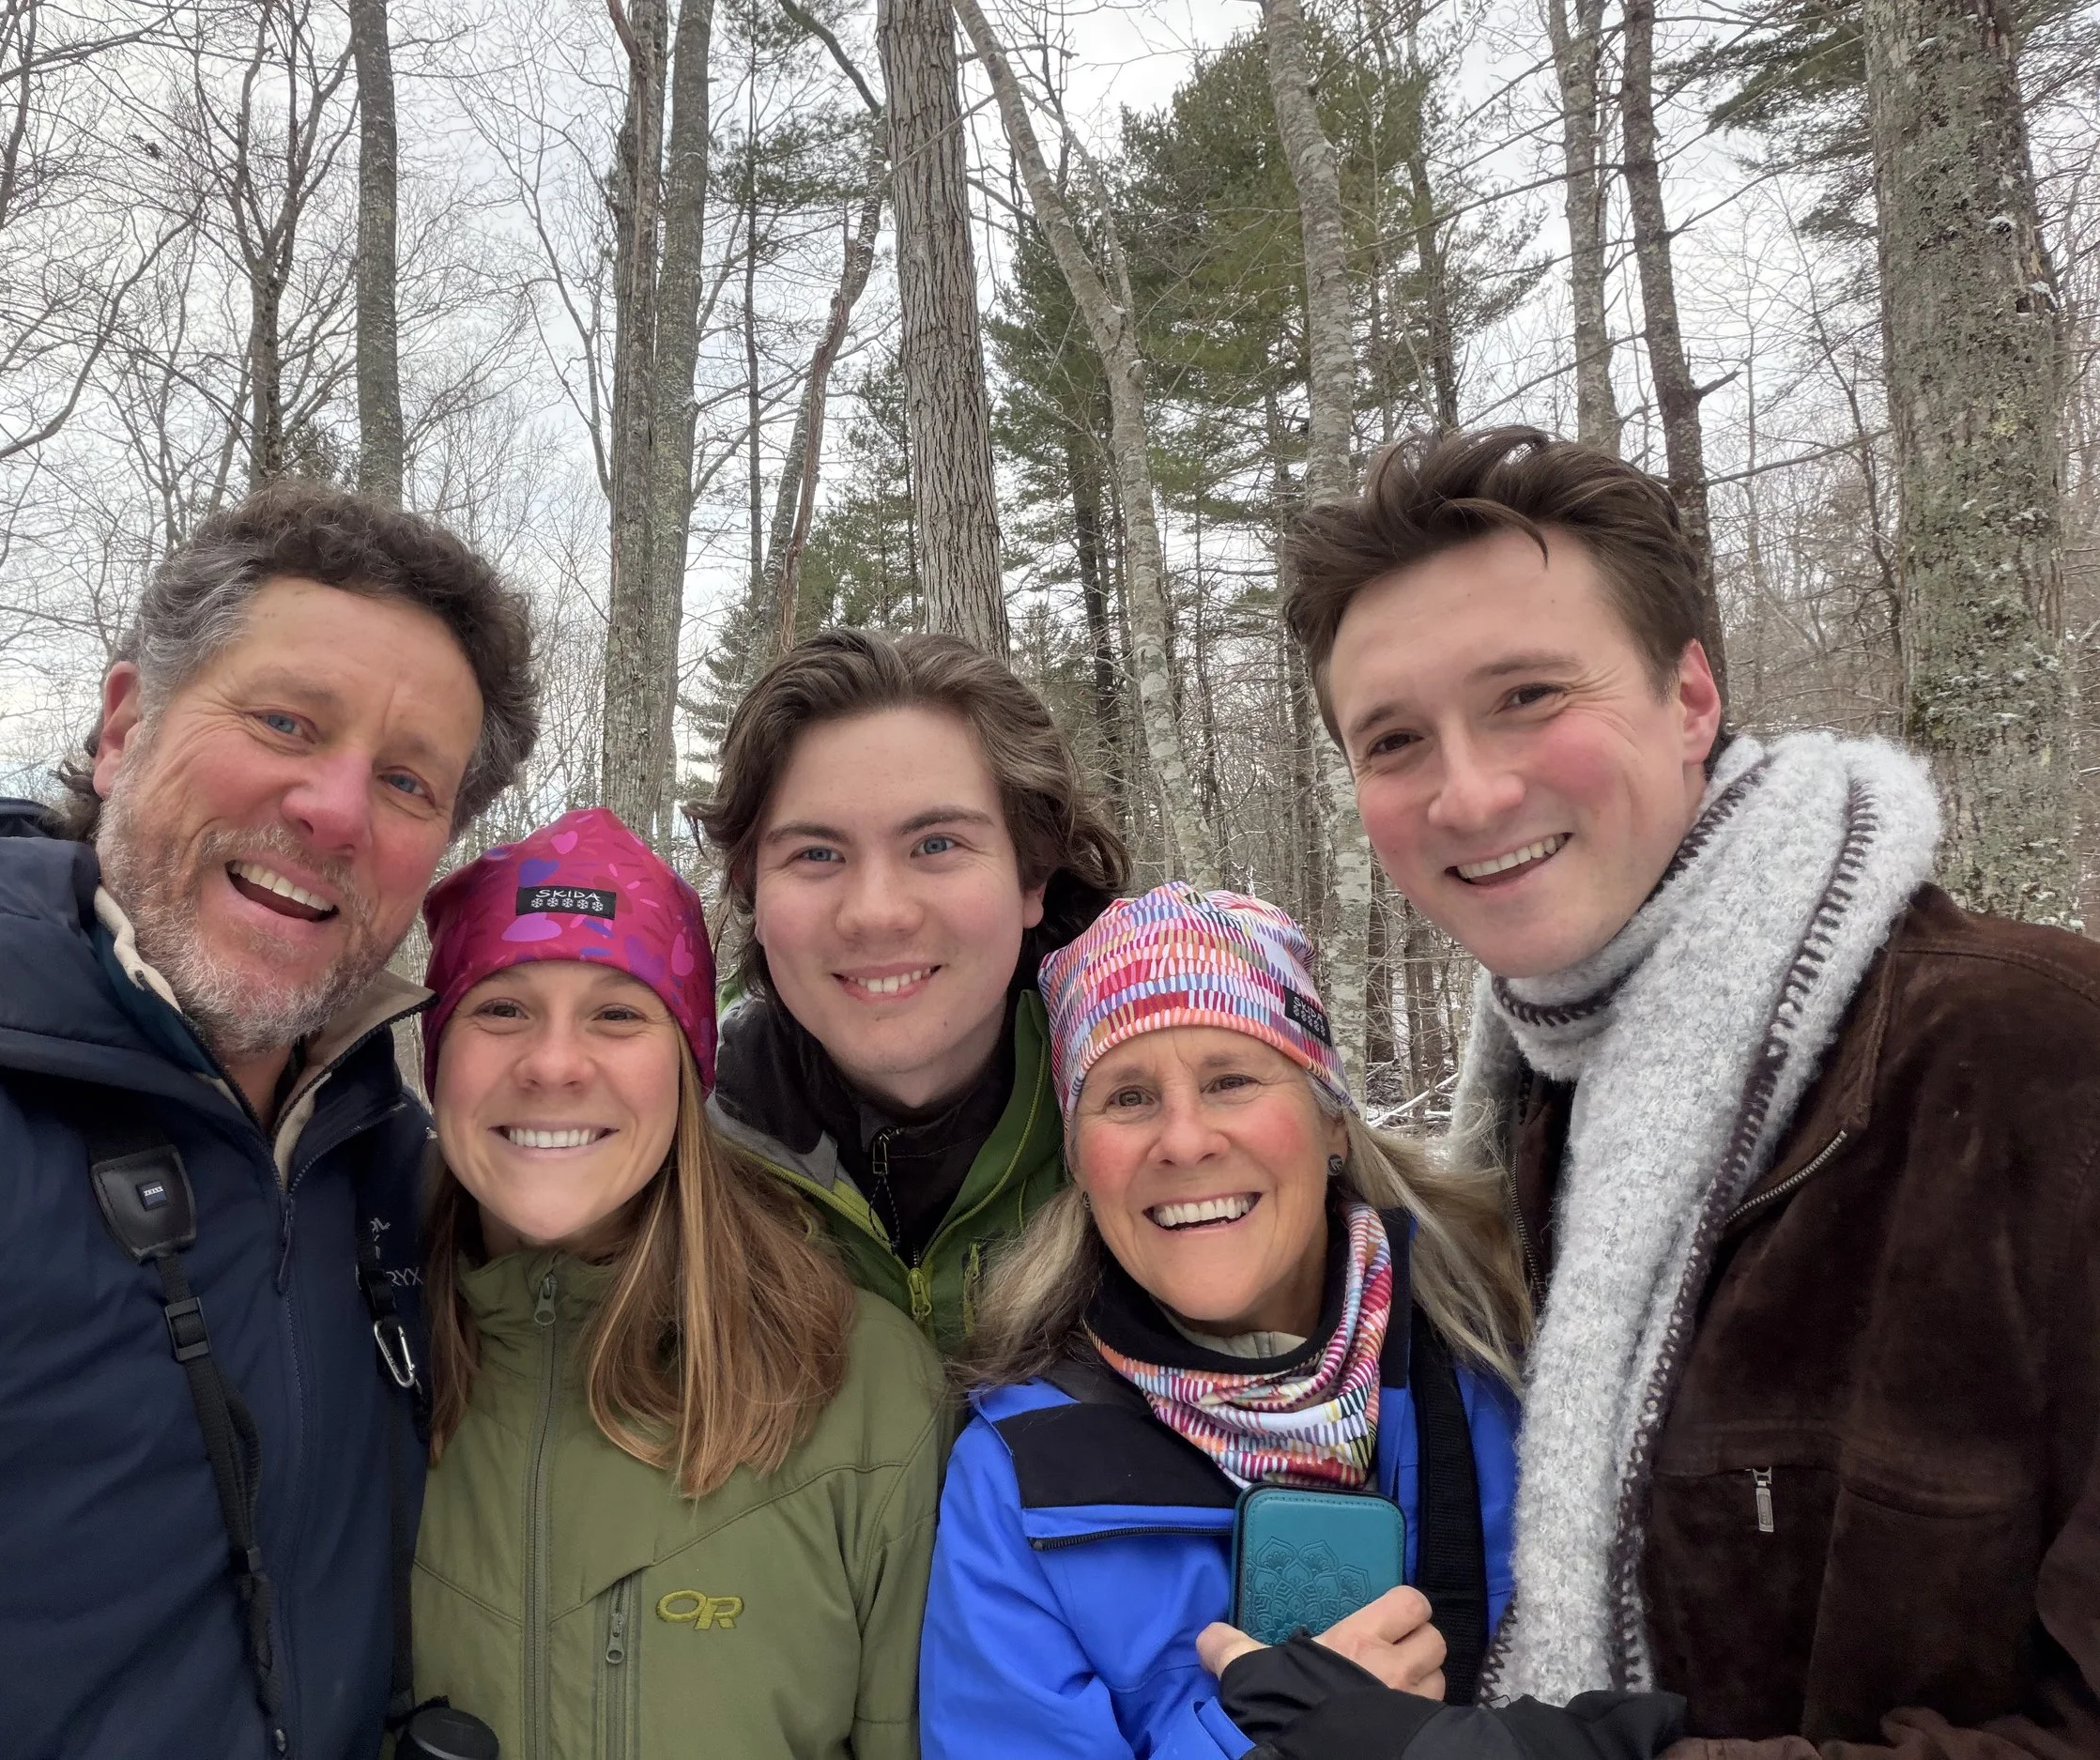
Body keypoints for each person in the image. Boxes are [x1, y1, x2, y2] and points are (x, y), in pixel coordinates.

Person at [1285, 425, 2100, 1755]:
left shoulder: (2034, 1058)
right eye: (1394, 740)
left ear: (1691, 700)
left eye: (1531, 695)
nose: (1472, 790)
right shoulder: (1524, 1122)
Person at [0, 482, 538, 1758]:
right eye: (287, 719)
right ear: (124, 725)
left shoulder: (407, 1183)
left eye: (406, 780)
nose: (335, 809)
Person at [920, 882, 1670, 1760]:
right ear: (1080, 1158)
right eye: (1126, 1097)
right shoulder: (1018, 1471)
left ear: (1332, 1120)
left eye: (1231, 1078)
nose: (1185, 1139)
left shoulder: (1511, 1364)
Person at [406, 808, 946, 1760]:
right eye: (500, 1008)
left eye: (618, 1013)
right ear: (438, 1054)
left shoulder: (860, 1386)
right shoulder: (346, 1358)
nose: (554, 1064)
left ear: (689, 1068)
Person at [691, 627, 1130, 1352]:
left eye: (936, 845)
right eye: (817, 853)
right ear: (753, 893)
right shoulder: (678, 1166)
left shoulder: (1169, 1138)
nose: (877, 912)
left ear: (1033, 875)